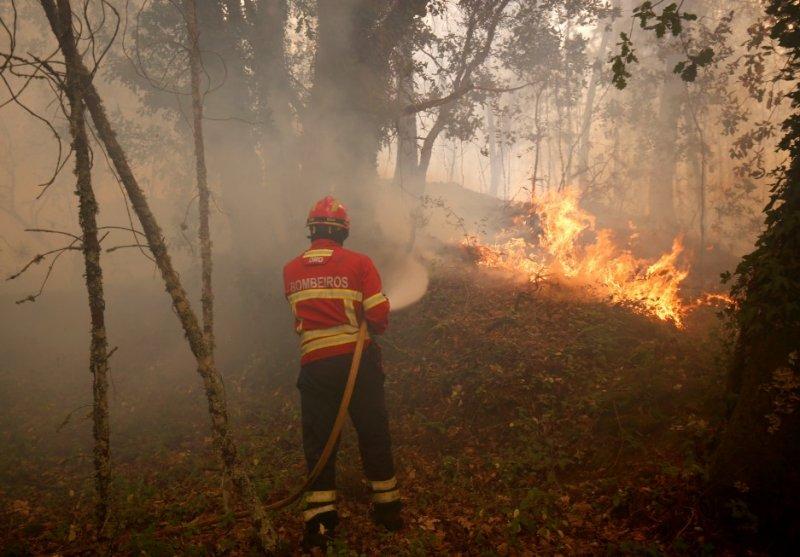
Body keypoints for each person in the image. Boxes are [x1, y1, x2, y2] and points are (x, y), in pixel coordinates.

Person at [283, 196, 403, 551]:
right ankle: (388, 512)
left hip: (315, 367)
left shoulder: (290, 269)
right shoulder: (359, 263)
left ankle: (321, 522)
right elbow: (378, 317)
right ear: (344, 231)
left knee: (320, 441)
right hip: (357, 365)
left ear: (311, 230)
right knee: (373, 432)